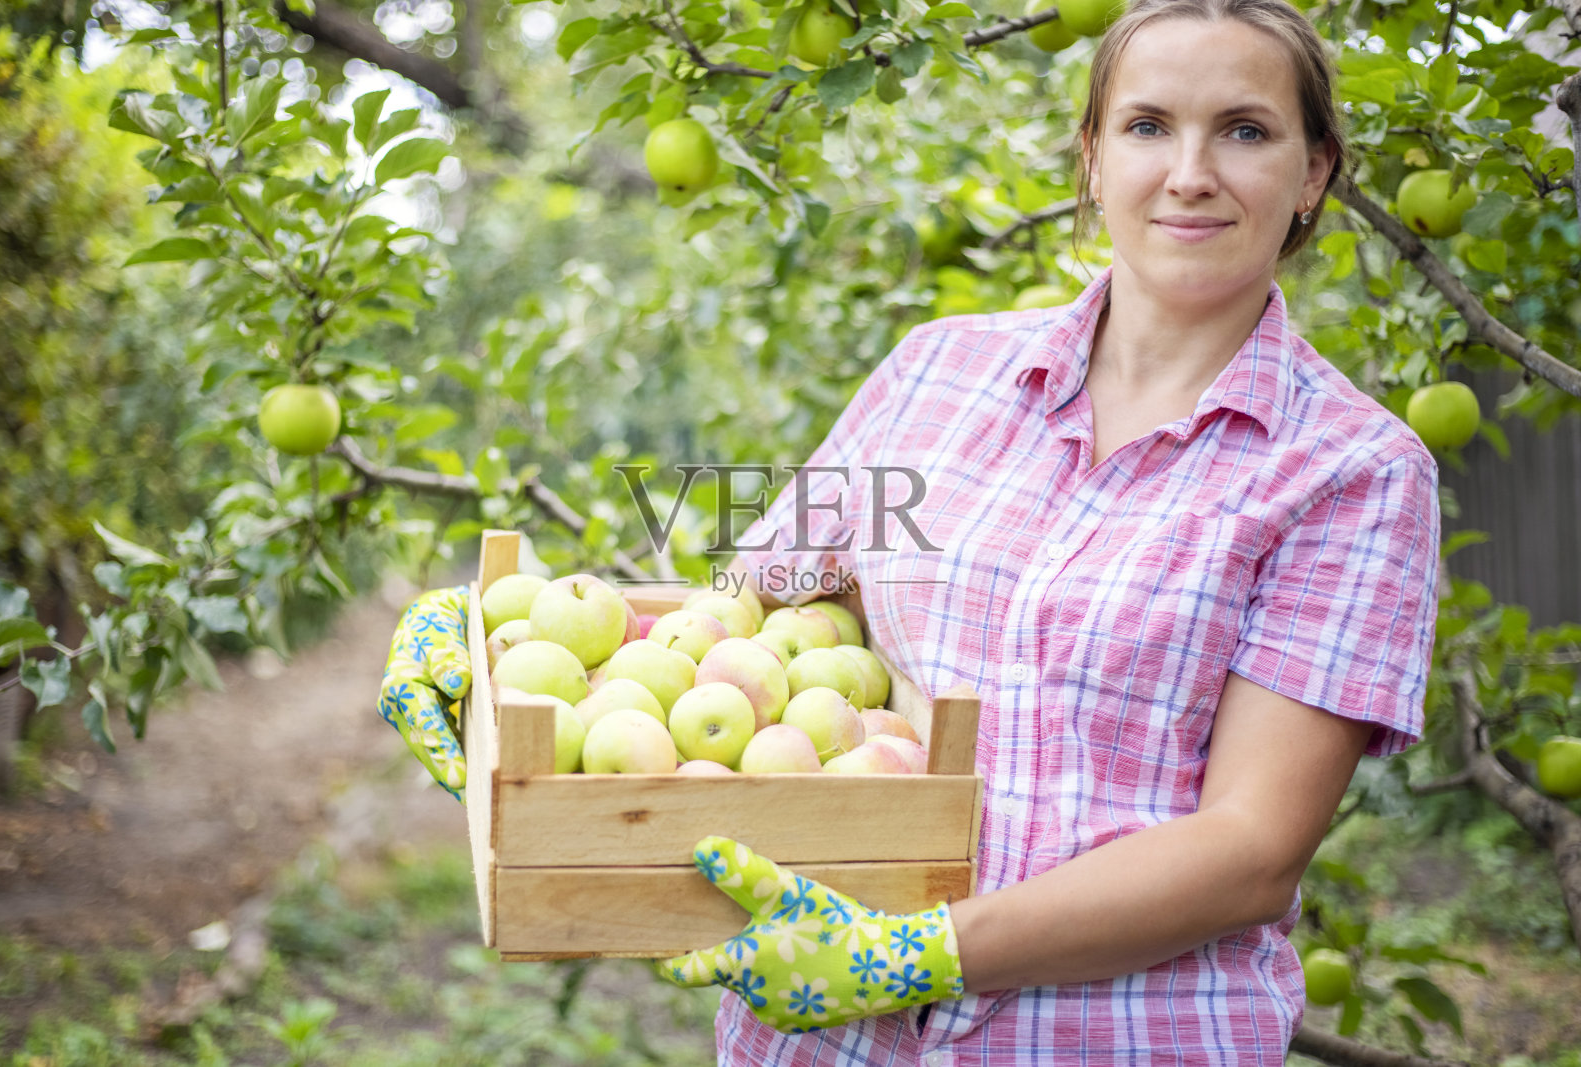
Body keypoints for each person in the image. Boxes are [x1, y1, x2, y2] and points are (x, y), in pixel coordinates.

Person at [377, 0, 1441, 1061]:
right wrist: (506, 648)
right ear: (1092, 154)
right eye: (1148, 124)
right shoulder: (940, 370)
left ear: (1312, 174)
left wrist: (915, 952)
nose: (1190, 171)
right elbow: (754, 625)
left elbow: (1249, 851)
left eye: (1245, 130)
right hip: (824, 1041)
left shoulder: (1351, 471)